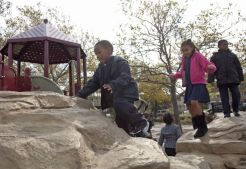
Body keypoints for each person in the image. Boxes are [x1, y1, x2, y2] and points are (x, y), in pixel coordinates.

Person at [77, 40, 150, 137]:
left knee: (120, 105)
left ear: (109, 50)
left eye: (99, 52)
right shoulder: (101, 69)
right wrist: (80, 94)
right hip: (114, 99)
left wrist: (113, 85)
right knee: (121, 122)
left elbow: (125, 77)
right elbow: (93, 83)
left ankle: (141, 121)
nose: (97, 56)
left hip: (125, 94)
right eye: (95, 54)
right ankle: (130, 136)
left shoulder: (120, 62)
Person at [170, 39, 216, 138]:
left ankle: (203, 127)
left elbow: (208, 65)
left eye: (186, 50)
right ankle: (196, 125)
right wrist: (175, 75)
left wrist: (211, 67)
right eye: (182, 50)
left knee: (194, 102)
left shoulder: (198, 56)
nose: (185, 52)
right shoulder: (184, 59)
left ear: (192, 48)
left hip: (198, 83)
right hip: (189, 84)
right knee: (189, 104)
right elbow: (183, 72)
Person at [208, 40, 244, 118]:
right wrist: (211, 80)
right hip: (221, 79)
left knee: (236, 94)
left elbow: (238, 67)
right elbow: (211, 69)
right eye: (224, 44)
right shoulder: (214, 57)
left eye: (227, 44)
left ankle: (235, 110)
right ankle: (226, 112)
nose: (226, 45)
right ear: (219, 46)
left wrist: (241, 77)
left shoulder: (233, 55)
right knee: (224, 97)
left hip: (233, 79)